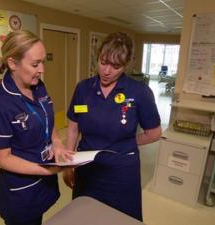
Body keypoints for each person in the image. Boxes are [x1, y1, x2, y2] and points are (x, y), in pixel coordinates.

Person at [63, 32, 162, 221]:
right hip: (87, 167)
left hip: (121, 171)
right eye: (103, 62)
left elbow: (154, 133)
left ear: (126, 66)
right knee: (85, 216)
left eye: (115, 66)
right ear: (98, 57)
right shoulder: (83, 88)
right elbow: (73, 126)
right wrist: (69, 160)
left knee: (118, 218)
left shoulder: (139, 92)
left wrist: (126, 142)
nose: (106, 71)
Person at [0, 30, 72, 225]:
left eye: (43, 63)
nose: (41, 70)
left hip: (43, 182)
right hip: (21, 193)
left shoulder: (39, 86)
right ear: (13, 63)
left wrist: (57, 143)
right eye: (35, 64)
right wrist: (47, 170)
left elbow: (48, 119)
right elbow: (3, 159)